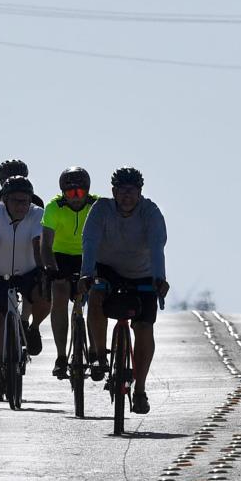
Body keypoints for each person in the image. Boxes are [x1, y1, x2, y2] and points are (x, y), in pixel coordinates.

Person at [78, 167, 169, 415]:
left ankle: (139, 390)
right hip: (107, 269)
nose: (126, 196)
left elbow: (157, 245)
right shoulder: (102, 210)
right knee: (96, 295)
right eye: (122, 191)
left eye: (132, 191)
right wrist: (86, 273)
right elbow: (90, 241)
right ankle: (98, 355)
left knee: (143, 327)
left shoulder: (150, 212)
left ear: (139, 192)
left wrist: (160, 279)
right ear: (113, 192)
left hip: (143, 273)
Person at [0, 159, 45, 382]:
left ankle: (29, 324)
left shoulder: (37, 204)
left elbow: (38, 243)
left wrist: (43, 270)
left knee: (41, 291)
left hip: (27, 266)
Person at [40, 166, 98, 379]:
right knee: (60, 294)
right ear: (63, 193)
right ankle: (61, 356)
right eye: (70, 193)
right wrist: (50, 269)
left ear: (87, 192)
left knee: (96, 296)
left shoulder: (96, 205)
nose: (75, 198)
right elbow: (45, 245)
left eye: (80, 193)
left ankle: (95, 350)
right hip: (61, 256)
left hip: (88, 255)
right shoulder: (54, 207)